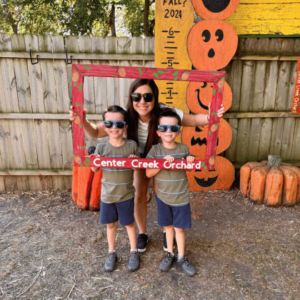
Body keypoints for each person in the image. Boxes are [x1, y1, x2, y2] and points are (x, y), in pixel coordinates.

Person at [70, 78, 224, 253]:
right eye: (137, 96)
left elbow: (195, 120)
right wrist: (81, 119)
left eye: (147, 96)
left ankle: (169, 232)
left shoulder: (166, 112)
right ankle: (142, 233)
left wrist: (211, 116)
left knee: (162, 194)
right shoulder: (126, 115)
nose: (142, 101)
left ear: (155, 97)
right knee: (138, 195)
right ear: (131, 98)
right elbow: (97, 131)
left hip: (160, 158)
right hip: (136, 159)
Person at [145, 108, 196, 276]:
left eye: (173, 128)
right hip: (163, 198)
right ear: (158, 132)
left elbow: (189, 167)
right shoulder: (155, 151)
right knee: (168, 227)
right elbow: (148, 173)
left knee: (179, 229)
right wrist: (161, 163)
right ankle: (170, 254)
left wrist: (189, 160)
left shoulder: (183, 148)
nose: (168, 131)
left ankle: (182, 257)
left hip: (181, 197)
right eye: (164, 128)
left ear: (178, 131)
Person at [92, 105, 140, 272]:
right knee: (111, 225)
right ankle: (112, 253)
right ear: (104, 126)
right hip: (108, 196)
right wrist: (94, 161)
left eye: (119, 124)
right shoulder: (102, 147)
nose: (114, 128)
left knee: (129, 224)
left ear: (125, 126)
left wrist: (135, 161)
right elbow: (95, 169)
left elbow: (137, 168)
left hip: (126, 195)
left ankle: (134, 252)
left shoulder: (132, 146)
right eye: (109, 124)